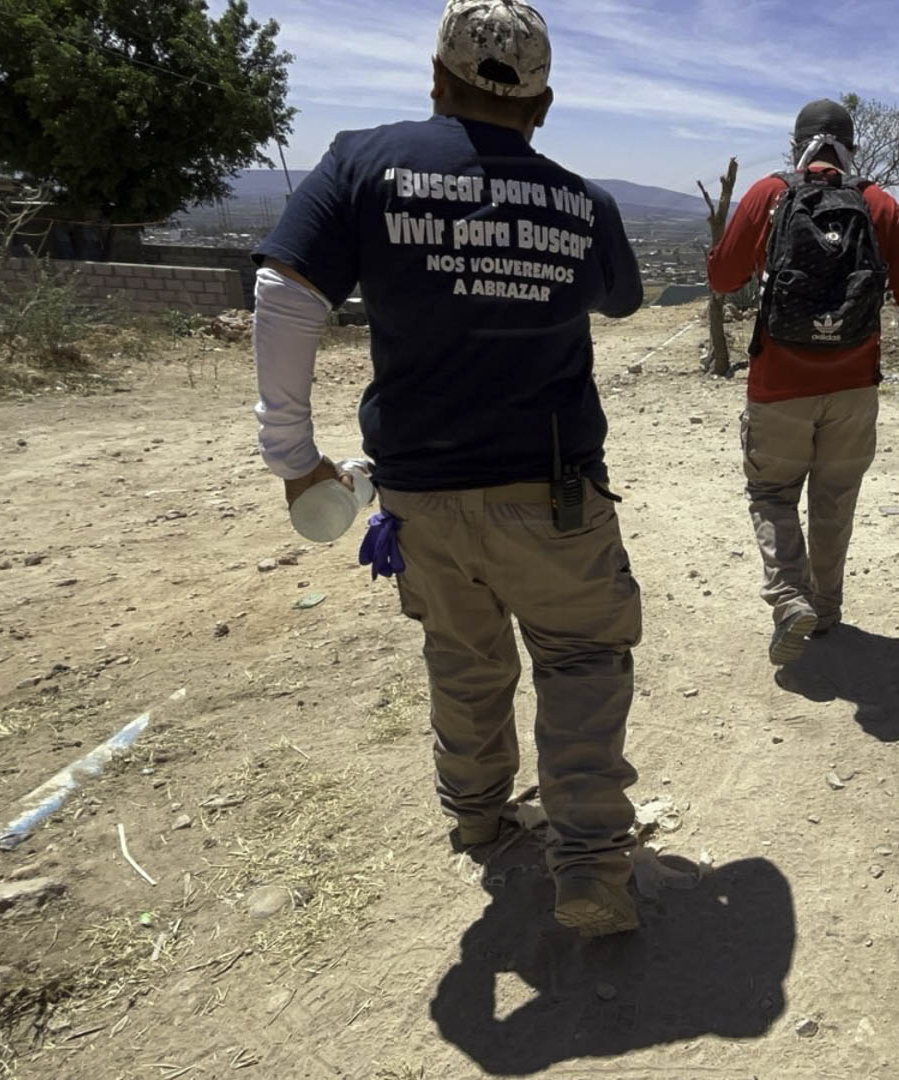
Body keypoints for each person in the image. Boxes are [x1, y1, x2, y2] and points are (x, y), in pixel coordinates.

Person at [250, 0, 647, 937]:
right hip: (552, 494)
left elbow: (284, 289)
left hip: (420, 496)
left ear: (436, 83)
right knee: (583, 659)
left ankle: (476, 813)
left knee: (464, 657)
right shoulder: (583, 202)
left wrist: (294, 460)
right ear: (542, 107)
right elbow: (624, 299)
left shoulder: (362, 161)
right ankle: (589, 865)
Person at [708, 99, 899, 666]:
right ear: (849, 147)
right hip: (855, 383)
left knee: (771, 492)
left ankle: (790, 598)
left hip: (778, 382)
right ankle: (826, 609)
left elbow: (722, 276)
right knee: (835, 500)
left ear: (798, 145)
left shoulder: (768, 195)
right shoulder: (878, 203)